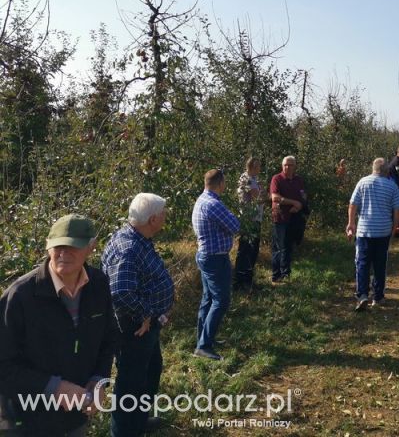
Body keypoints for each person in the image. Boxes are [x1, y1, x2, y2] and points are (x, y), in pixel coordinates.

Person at [0, 214, 116, 436]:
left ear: (91, 247)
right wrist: (54, 387)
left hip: (74, 416)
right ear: (47, 246)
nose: (63, 253)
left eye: (72, 246)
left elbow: (108, 339)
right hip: (25, 420)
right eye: (58, 246)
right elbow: (3, 365)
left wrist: (99, 379)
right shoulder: (20, 296)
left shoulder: (99, 285)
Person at [101, 194, 174, 437]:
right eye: (163, 214)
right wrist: (144, 315)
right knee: (131, 383)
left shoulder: (137, 237)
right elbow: (120, 292)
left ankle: (139, 421)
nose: (165, 217)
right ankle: (124, 431)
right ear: (153, 219)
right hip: (135, 328)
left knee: (150, 370)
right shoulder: (129, 248)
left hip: (146, 326)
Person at [192, 169, 240, 360]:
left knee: (208, 299)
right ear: (220, 183)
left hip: (206, 255)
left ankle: (204, 339)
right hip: (215, 259)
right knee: (221, 300)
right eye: (224, 182)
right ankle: (203, 346)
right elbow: (235, 225)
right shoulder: (213, 204)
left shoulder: (201, 200)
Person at [346, 158, 399, 311]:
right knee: (380, 265)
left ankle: (362, 295)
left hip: (364, 231)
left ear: (373, 168)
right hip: (383, 231)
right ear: (386, 171)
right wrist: (394, 227)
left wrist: (351, 223)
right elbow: (398, 209)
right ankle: (378, 297)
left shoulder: (362, 182)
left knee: (362, 264)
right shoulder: (392, 186)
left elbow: (353, 204)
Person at [269, 156, 307, 282]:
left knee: (289, 246)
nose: (287, 167)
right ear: (282, 165)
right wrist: (293, 202)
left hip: (294, 218)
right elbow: (275, 197)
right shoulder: (277, 179)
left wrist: (299, 205)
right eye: (285, 164)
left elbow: (303, 197)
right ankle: (276, 275)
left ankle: (286, 273)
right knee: (278, 247)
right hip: (280, 217)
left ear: (295, 166)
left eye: (290, 165)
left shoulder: (298, 180)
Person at [234, 157, 265, 292]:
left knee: (251, 250)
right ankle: (242, 281)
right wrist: (263, 194)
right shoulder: (247, 179)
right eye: (258, 166)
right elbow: (258, 197)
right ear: (252, 167)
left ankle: (247, 279)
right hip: (249, 220)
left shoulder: (253, 179)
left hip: (254, 219)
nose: (260, 169)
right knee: (247, 250)